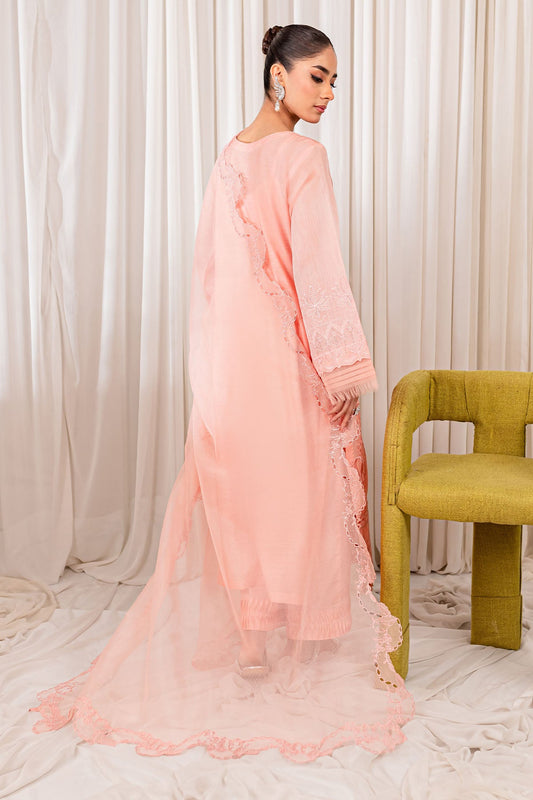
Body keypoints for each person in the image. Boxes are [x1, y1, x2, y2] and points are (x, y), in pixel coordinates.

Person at [31, 23, 413, 761]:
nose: (329, 93)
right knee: (303, 486)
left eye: (335, 81)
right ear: (277, 74)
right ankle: (303, 634)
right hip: (286, 357)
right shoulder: (303, 159)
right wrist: (340, 369)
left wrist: (207, 372)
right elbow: (319, 272)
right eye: (317, 76)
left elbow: (207, 277)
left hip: (231, 361)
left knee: (244, 494)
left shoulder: (230, 157)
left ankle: (252, 643)